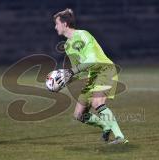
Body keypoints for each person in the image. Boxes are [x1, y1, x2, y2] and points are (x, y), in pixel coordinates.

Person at [53, 8, 128, 144]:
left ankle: (120, 137)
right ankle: (106, 126)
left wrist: (71, 72)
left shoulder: (82, 35)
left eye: (57, 23)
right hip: (92, 76)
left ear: (64, 24)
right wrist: (63, 81)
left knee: (97, 102)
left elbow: (92, 60)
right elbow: (80, 70)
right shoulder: (68, 46)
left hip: (104, 69)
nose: (55, 27)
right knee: (79, 115)